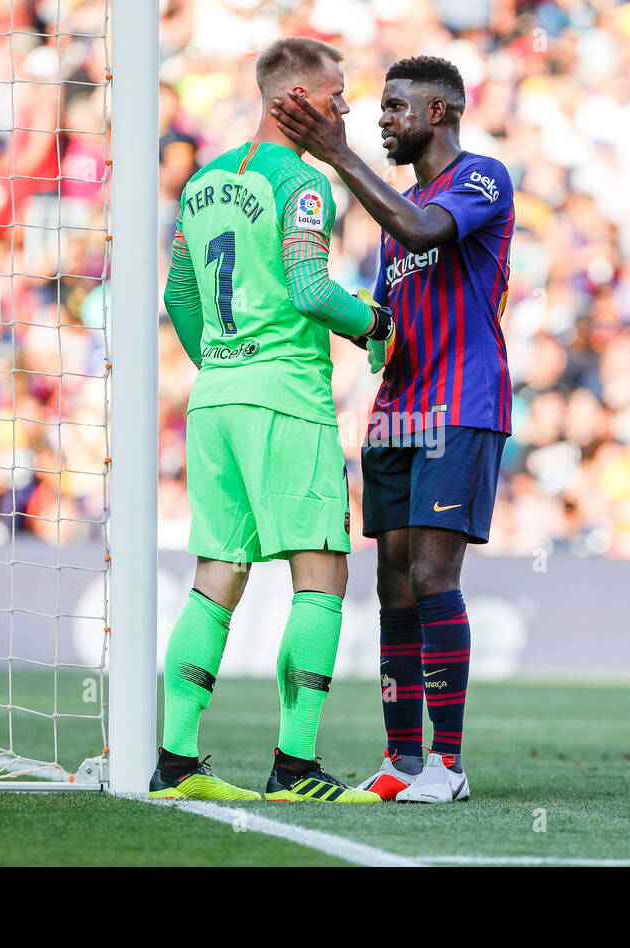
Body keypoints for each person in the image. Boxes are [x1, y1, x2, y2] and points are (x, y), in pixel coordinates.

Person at [272, 55, 514, 802]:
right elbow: (385, 325)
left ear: (439, 113)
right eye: (378, 108)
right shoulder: (391, 213)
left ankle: (449, 764)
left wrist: (334, 152)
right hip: (396, 413)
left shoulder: (481, 179)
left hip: (462, 406)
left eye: (396, 107)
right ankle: (402, 760)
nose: (381, 119)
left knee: (435, 578)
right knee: (394, 589)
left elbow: (422, 233)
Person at [156, 37, 391, 804]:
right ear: (293, 100)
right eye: (336, 94)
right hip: (286, 398)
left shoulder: (201, 183)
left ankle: (176, 764)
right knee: (321, 575)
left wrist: (224, 358)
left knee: (217, 577)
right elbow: (312, 290)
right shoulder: (305, 185)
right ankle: (295, 770)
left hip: (216, 398)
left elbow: (180, 300)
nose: (347, 107)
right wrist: (379, 327)